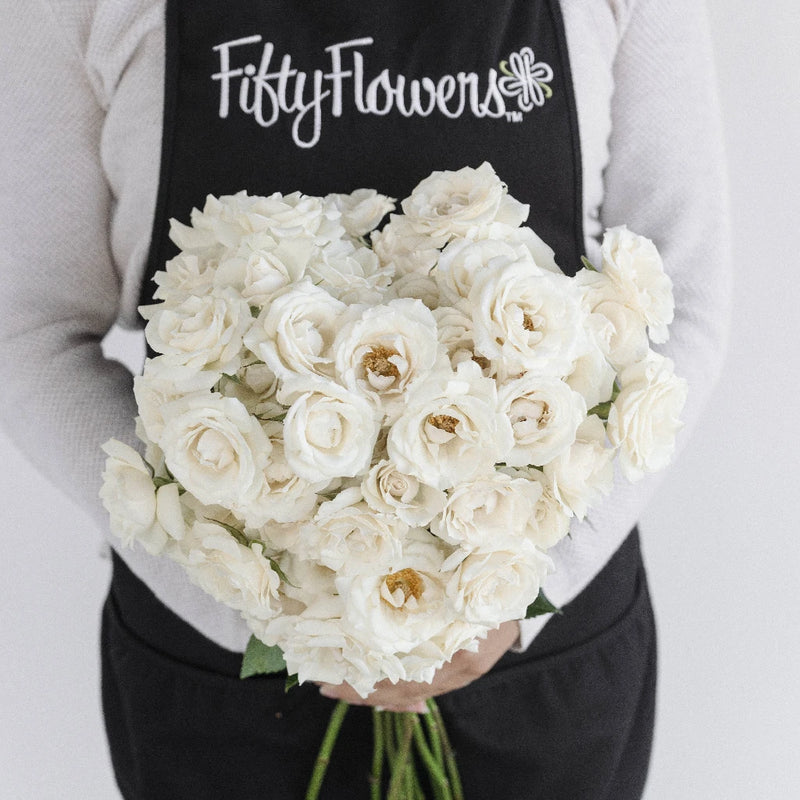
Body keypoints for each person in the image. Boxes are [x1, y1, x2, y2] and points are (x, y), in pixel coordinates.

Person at [0, 0, 730, 797]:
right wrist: (270, 613)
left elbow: (681, 298)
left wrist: (511, 594)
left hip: (537, 667)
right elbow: (29, 331)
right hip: (223, 684)